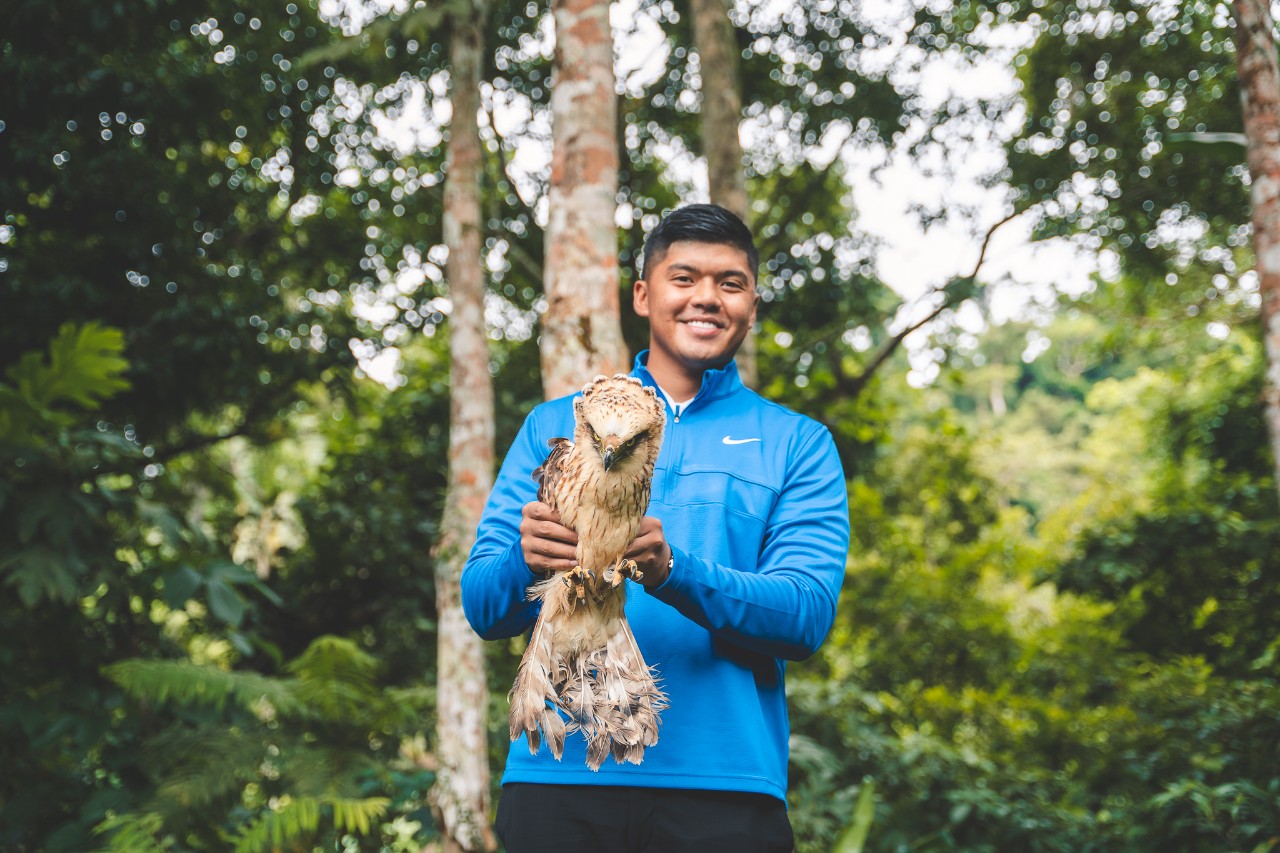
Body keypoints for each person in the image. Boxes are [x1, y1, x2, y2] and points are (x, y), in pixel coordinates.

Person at [460, 203, 850, 852]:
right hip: (558, 775)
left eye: (730, 283)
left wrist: (675, 573)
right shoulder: (556, 423)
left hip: (726, 789)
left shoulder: (796, 442)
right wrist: (522, 562)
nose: (707, 297)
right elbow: (482, 604)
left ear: (752, 304)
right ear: (643, 294)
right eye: (684, 277)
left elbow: (805, 615)